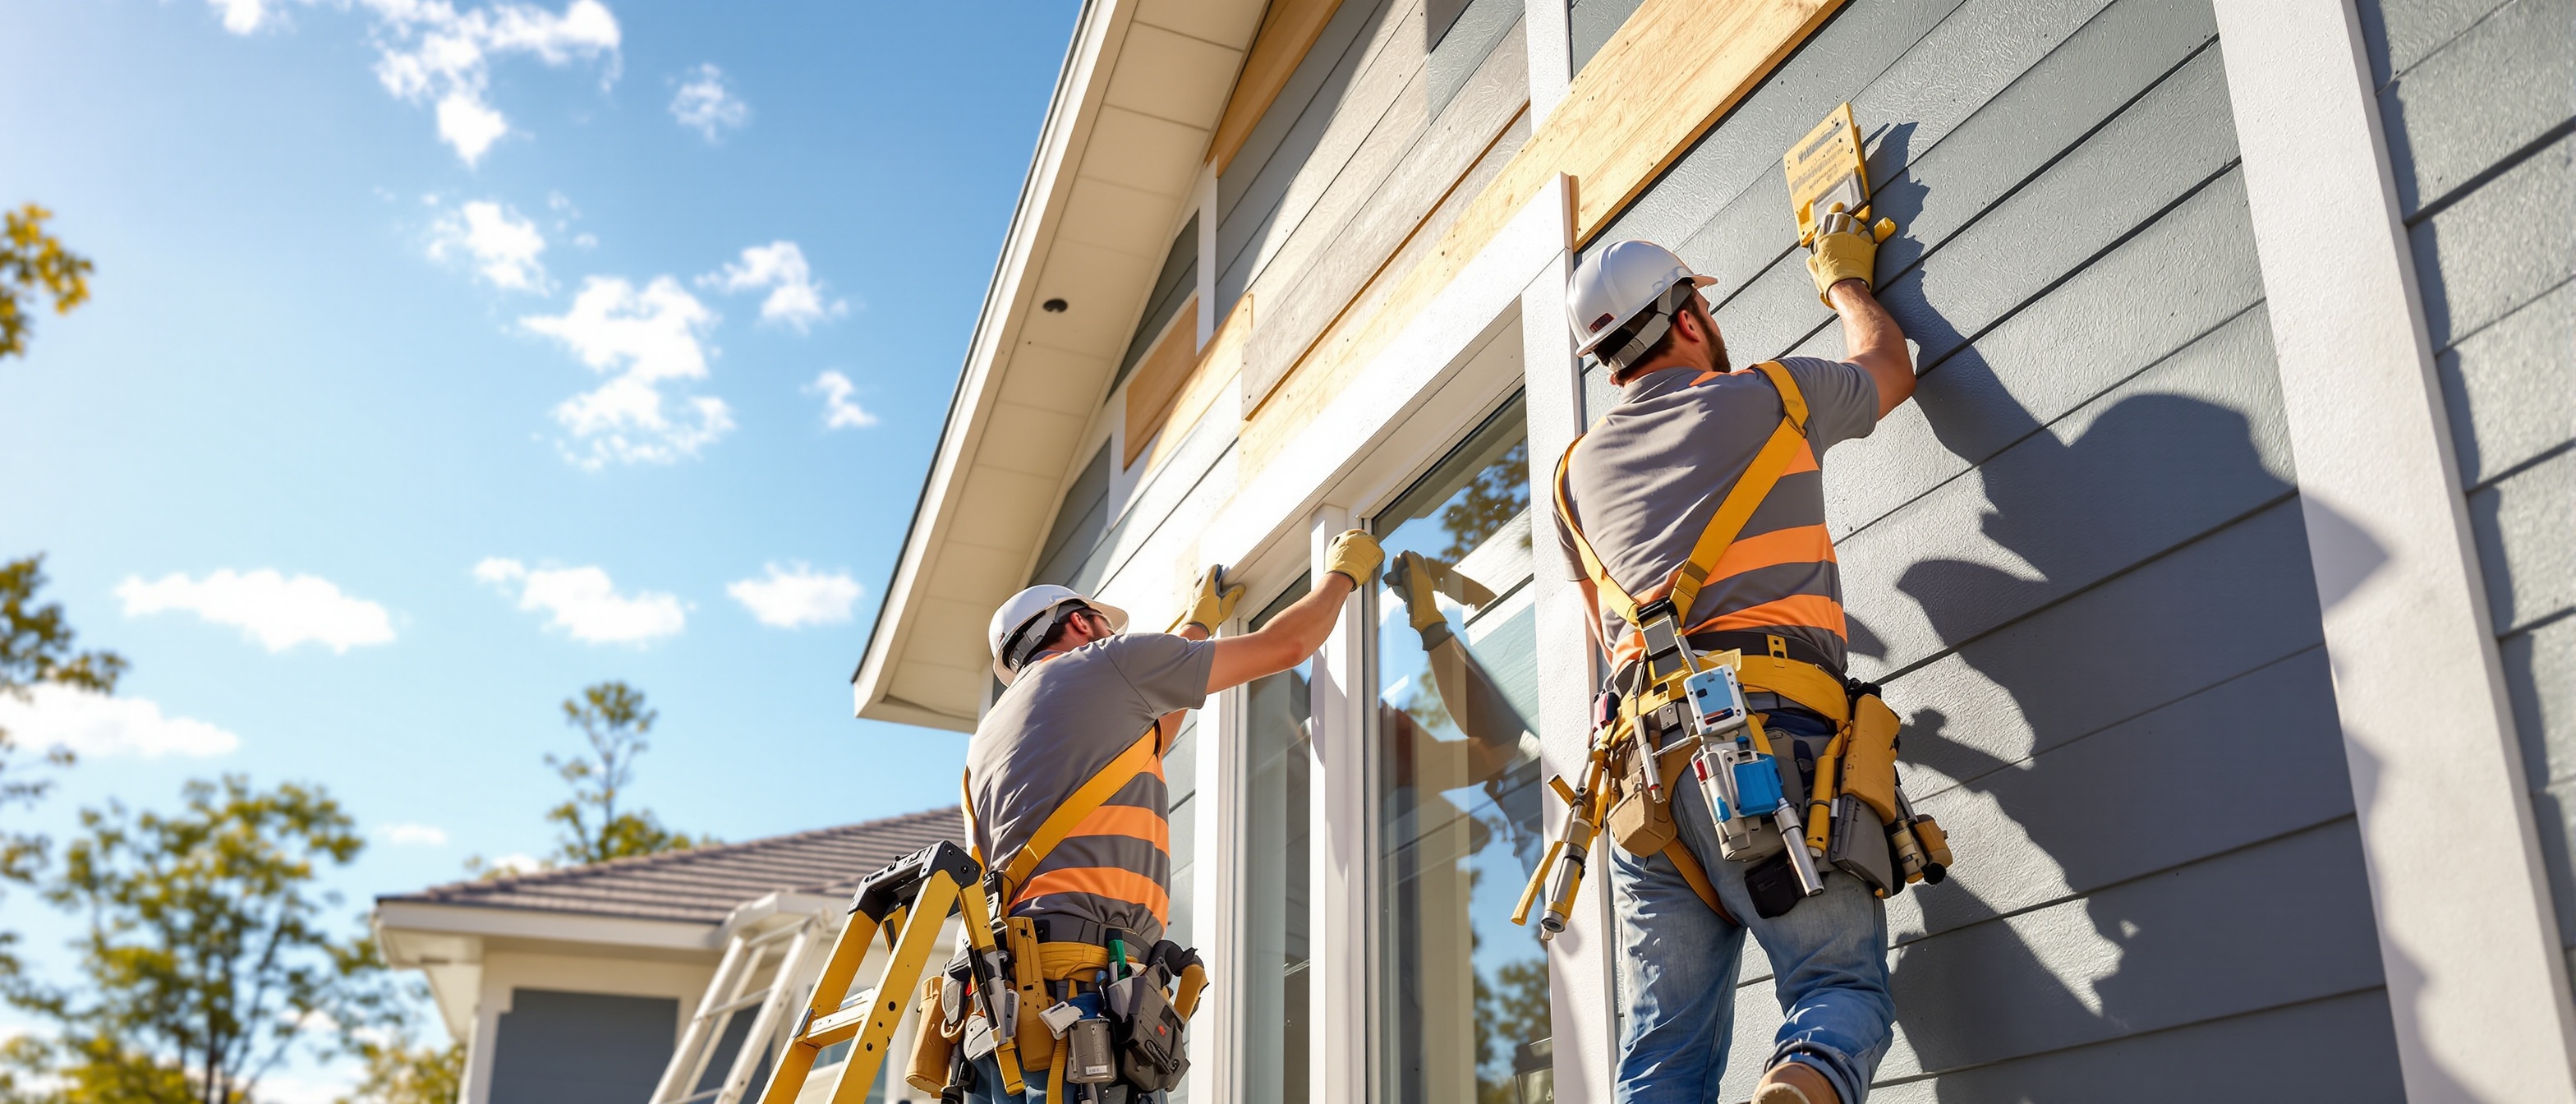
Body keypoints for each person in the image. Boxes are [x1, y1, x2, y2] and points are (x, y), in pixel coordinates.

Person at [1552, 209, 1916, 1104]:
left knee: (1664, 1060)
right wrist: (1844, 281)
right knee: (1835, 989)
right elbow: (1890, 369)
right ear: (1686, 320)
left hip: (1644, 785)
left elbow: (1612, 638)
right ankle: (1801, 1085)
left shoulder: (1572, 478)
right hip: (1767, 750)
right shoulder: (1775, 397)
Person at [958, 528, 1382, 1103]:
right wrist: (1343, 573)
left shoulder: (986, 742)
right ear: (1080, 623)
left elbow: (1148, 732)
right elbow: (1287, 646)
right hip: (1083, 1005)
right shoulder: (1105, 662)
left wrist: (1198, 627)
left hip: (1007, 1019)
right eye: (1105, 625)